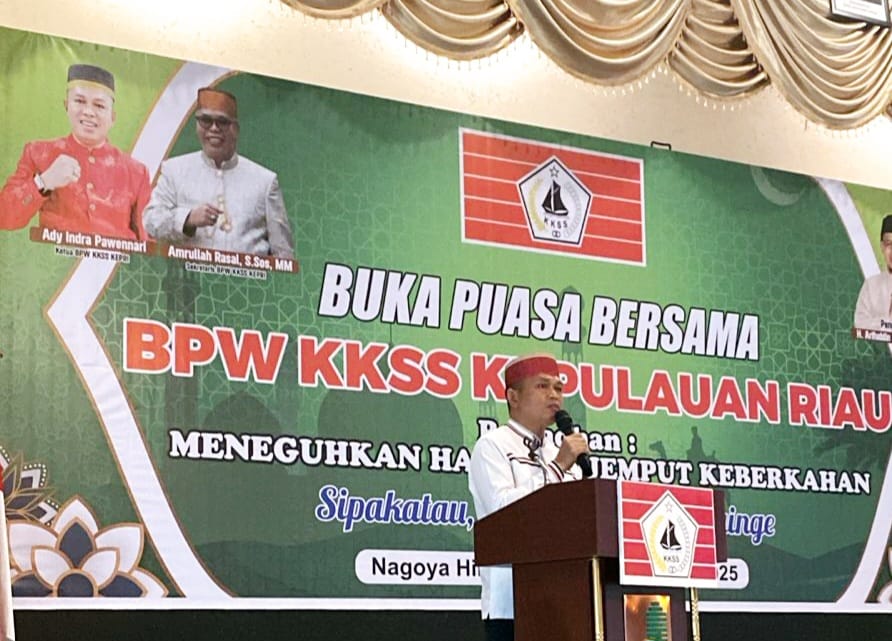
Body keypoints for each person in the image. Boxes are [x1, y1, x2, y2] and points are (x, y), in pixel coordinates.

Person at [468, 353, 590, 641]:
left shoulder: (559, 452)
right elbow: (503, 513)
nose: (554, 395)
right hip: (511, 606)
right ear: (513, 397)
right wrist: (557, 468)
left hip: (566, 602)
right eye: (542, 386)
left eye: (558, 388)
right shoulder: (492, 446)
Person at [0, 63, 151, 240]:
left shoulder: (136, 172)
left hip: (116, 259)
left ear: (113, 117)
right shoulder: (38, 153)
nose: (88, 112)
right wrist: (44, 181)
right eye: (79, 101)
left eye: (99, 106)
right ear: (66, 106)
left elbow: (147, 242)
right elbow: (5, 216)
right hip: (58, 257)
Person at [143, 88, 294, 258]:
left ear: (236, 129)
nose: (214, 128)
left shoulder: (265, 181)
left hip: (246, 275)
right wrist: (188, 219)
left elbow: (283, 255)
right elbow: (151, 222)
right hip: (188, 274)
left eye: (222, 122)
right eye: (205, 121)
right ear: (197, 126)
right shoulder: (174, 170)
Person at [854, 214, 892, 332]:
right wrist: (887, 324)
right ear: (882, 247)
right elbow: (859, 323)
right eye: (888, 244)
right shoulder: (871, 286)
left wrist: (877, 323)